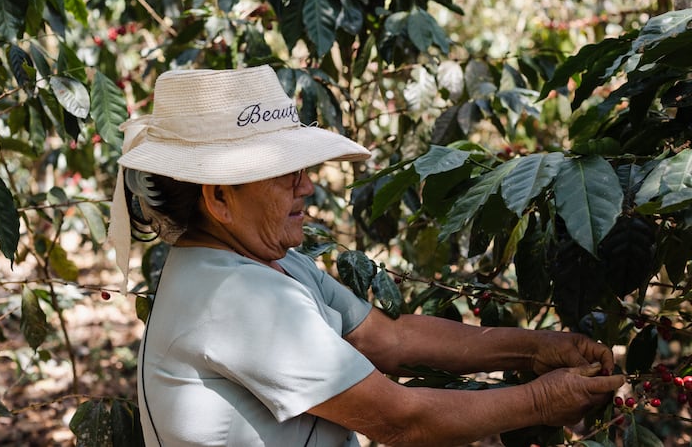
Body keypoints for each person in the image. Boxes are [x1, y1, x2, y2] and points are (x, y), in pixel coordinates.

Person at [107, 65, 624, 447]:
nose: (307, 186)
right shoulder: (236, 298)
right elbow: (399, 420)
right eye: (285, 173)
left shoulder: (266, 263)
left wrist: (535, 350)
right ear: (220, 198)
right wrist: (541, 400)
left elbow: (389, 338)